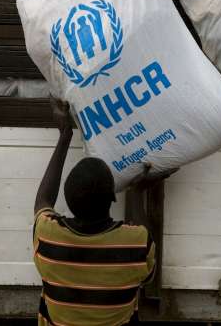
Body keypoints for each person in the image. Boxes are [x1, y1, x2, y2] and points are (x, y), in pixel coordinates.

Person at [33, 98, 172, 326]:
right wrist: (136, 193)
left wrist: (65, 134)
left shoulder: (48, 236)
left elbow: (43, 199)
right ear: (112, 198)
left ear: (66, 199)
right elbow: (148, 276)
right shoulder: (134, 244)